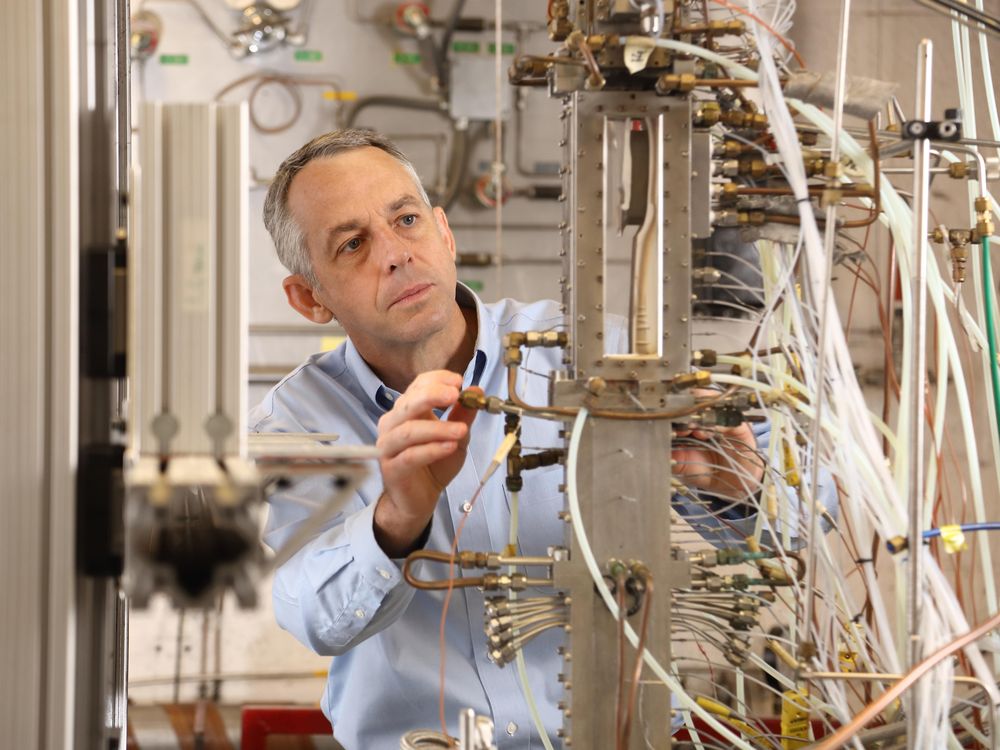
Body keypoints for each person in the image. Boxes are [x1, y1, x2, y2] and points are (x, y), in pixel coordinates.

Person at [251, 129, 814, 749]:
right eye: (353, 244)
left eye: (406, 220)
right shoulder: (298, 422)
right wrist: (396, 518)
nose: (395, 253)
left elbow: (809, 521)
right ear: (309, 297)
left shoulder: (595, 354)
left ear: (445, 233)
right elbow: (310, 616)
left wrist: (741, 488)